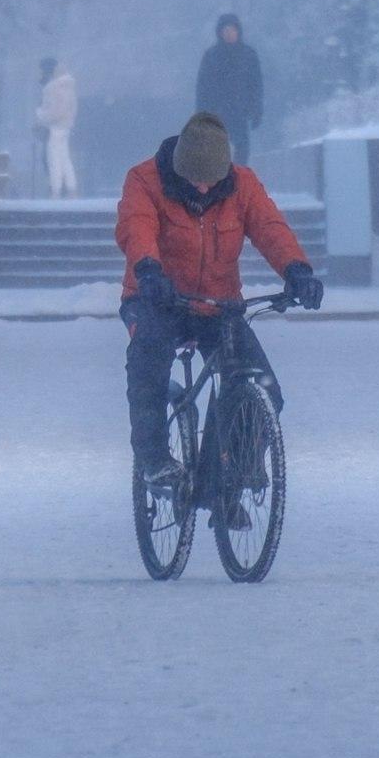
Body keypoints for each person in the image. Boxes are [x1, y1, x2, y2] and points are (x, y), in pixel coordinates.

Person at [117, 112, 323, 499]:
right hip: (156, 298)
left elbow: (270, 228)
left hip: (217, 305)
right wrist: (148, 269)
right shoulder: (144, 181)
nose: (202, 185)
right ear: (178, 167)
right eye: (194, 178)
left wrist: (297, 270)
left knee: (261, 386)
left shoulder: (243, 185)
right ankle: (154, 460)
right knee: (149, 362)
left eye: (210, 179)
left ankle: (230, 475)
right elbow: (137, 226)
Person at [195, 14, 264, 162]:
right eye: (225, 30)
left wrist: (257, 109)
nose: (229, 33)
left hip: (240, 113)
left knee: (242, 154)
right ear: (220, 33)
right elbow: (202, 89)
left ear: (238, 32)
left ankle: (238, 183)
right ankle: (221, 183)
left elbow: (256, 85)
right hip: (217, 115)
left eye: (232, 30)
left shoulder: (248, 55)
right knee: (217, 156)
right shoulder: (211, 56)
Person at [35, 57, 79, 199]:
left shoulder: (53, 87)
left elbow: (55, 111)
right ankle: (71, 189)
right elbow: (68, 109)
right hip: (65, 127)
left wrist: (40, 114)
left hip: (54, 128)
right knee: (65, 160)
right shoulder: (68, 85)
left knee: (54, 161)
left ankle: (55, 191)